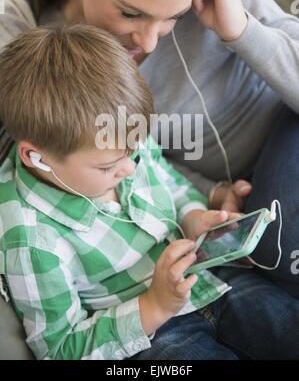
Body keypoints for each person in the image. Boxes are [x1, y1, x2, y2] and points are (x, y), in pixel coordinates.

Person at [0, 0, 299, 298]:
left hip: (286, 127)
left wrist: (242, 30)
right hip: (240, 195)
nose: (149, 41)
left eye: (172, 18)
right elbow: (125, 154)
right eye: (130, 13)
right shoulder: (57, 61)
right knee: (276, 255)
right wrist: (208, 191)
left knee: (284, 245)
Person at [1, 24, 299, 361]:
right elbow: (60, 350)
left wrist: (193, 217)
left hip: (211, 281)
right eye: (108, 168)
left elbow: (169, 183)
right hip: (151, 336)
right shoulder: (30, 239)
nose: (130, 169)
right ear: (35, 157)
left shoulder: (120, 141)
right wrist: (153, 305)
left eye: (134, 152)